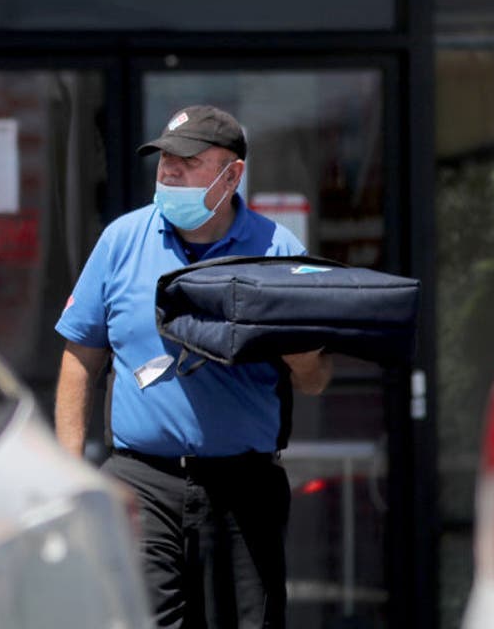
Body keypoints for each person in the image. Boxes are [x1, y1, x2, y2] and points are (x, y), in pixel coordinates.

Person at [53, 105, 332, 628]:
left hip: (244, 489)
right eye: (165, 161)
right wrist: (68, 473)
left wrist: (300, 353)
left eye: (188, 162)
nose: (170, 172)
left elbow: (316, 381)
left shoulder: (278, 250)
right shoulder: (121, 241)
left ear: (232, 175)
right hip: (140, 484)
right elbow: (79, 358)